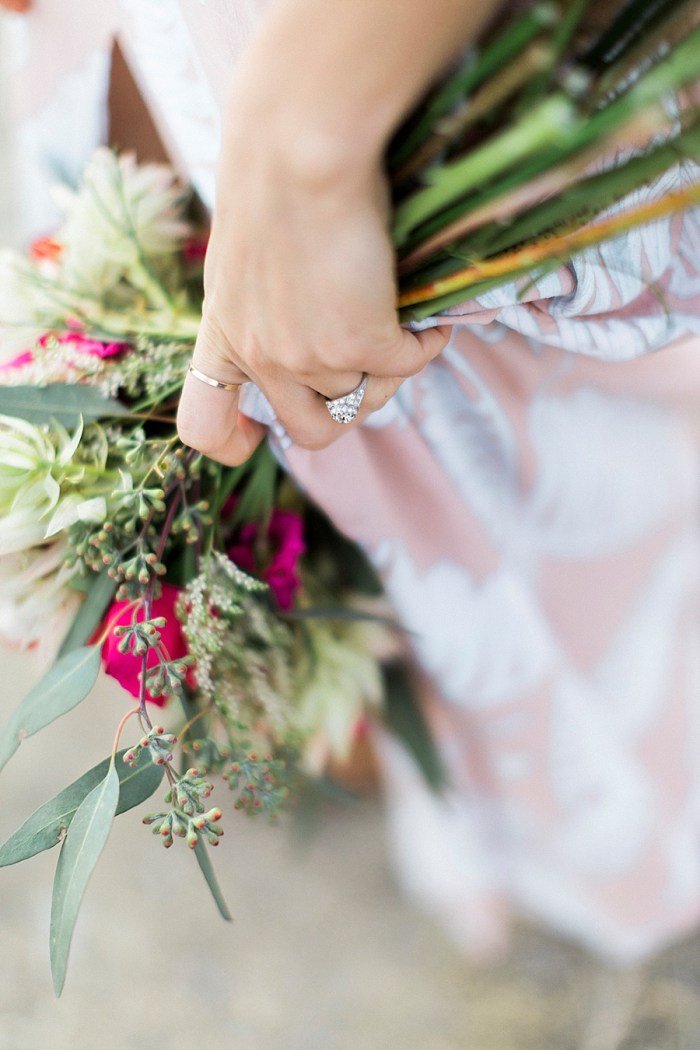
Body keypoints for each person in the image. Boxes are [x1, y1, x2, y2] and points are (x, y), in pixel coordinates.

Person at [3, 0, 700, 963]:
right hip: (197, 88)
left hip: (369, 102)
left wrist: (305, 140)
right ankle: (367, 657)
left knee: (547, 512)